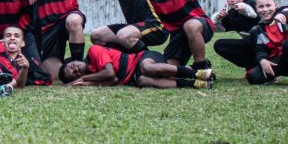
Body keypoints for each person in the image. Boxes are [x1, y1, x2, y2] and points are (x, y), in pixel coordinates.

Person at [60, 47, 213, 89]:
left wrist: (84, 78)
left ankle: (197, 73)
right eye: (74, 74)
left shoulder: (94, 51)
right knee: (142, 80)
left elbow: (109, 72)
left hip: (143, 58)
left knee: (147, 68)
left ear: (75, 60)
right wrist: (85, 84)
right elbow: (112, 80)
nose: (76, 70)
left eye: (73, 66)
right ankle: (196, 84)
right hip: (134, 76)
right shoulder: (93, 75)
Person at [211, 0, 260, 72]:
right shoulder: (231, 14)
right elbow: (215, 28)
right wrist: (218, 17)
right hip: (249, 46)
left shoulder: (253, 4)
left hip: (265, 45)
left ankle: (260, 66)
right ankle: (251, 66)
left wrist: (243, 6)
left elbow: (252, 13)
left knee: (254, 35)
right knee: (219, 45)